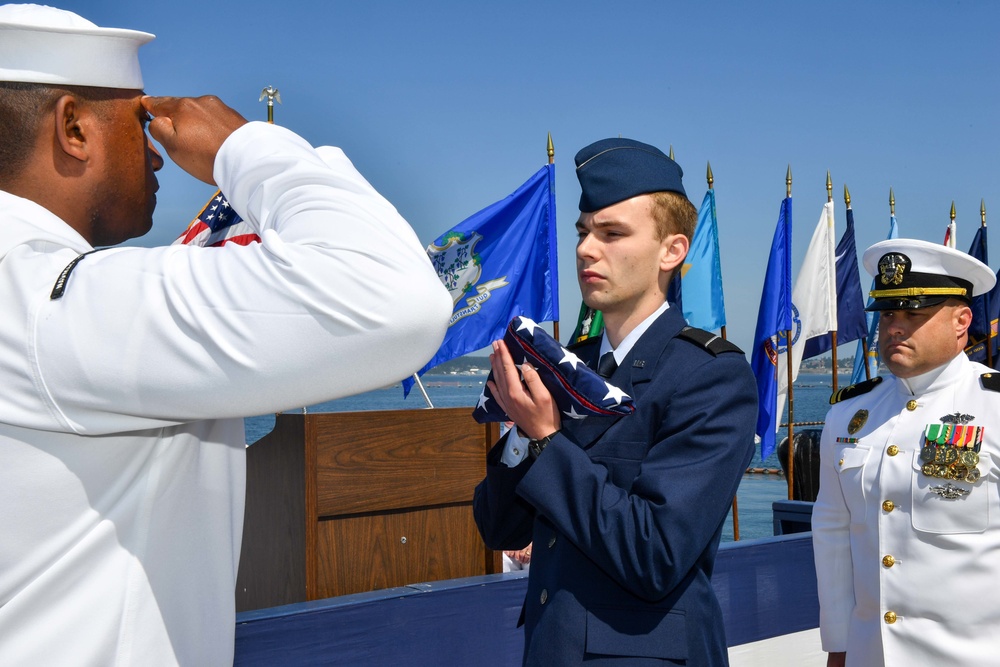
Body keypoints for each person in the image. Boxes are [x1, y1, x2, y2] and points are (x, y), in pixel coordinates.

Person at [0, 5, 452, 665]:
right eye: (139, 121)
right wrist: (246, 147)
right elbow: (392, 299)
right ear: (73, 127)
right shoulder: (48, 305)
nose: (155, 152)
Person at [473, 137, 758, 665]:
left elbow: (656, 553)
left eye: (612, 234)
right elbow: (500, 529)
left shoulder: (711, 376)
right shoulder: (561, 366)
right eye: (584, 233)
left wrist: (545, 438)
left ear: (672, 251)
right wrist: (520, 439)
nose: (585, 249)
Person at [813, 238, 999, 666]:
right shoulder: (848, 416)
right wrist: (838, 647)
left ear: (961, 321)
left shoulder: (995, 407)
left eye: (913, 314)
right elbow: (833, 535)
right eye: (888, 315)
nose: (895, 327)